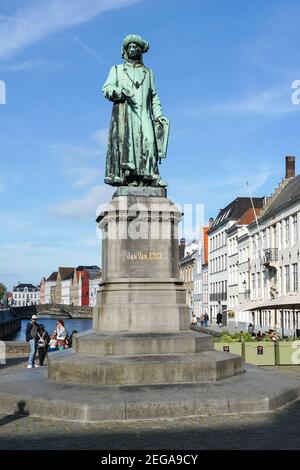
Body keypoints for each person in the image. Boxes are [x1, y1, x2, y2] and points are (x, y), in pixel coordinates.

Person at [102, 34, 168, 188]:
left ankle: (152, 176)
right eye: (129, 47)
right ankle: (129, 178)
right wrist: (119, 92)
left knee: (149, 142)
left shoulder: (149, 73)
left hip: (144, 113)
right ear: (125, 51)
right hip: (126, 113)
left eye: (135, 47)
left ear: (140, 50)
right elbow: (106, 88)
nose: (132, 49)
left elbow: (154, 96)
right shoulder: (117, 70)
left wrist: (159, 115)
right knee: (129, 146)